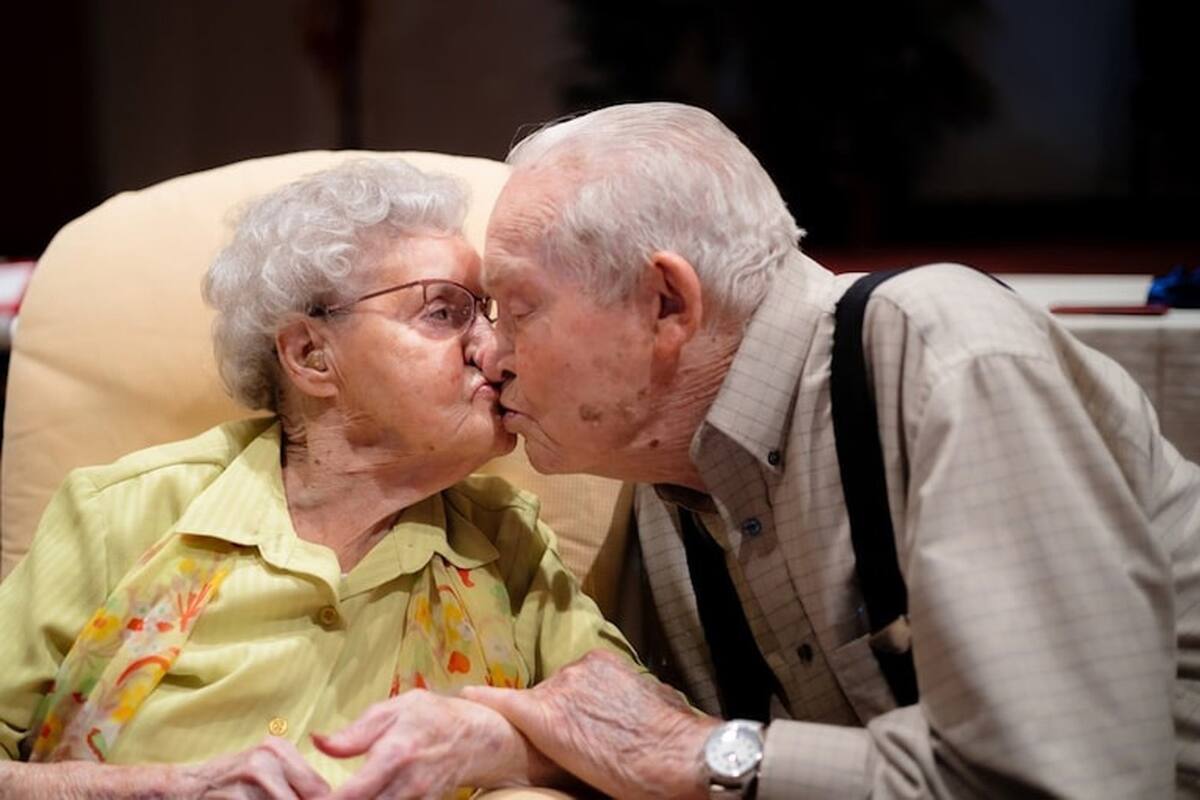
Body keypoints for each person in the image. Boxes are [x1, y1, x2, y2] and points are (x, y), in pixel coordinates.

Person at [461, 102, 1200, 798]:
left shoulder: (942, 352)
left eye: (517, 309)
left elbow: (1074, 782)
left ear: (666, 304)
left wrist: (694, 753)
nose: (490, 356)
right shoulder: (663, 480)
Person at [0, 158, 636, 798]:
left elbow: (642, 743)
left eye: (491, 314)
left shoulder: (507, 546)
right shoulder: (123, 514)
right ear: (310, 356)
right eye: (445, 312)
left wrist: (511, 756)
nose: (495, 351)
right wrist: (167, 788)